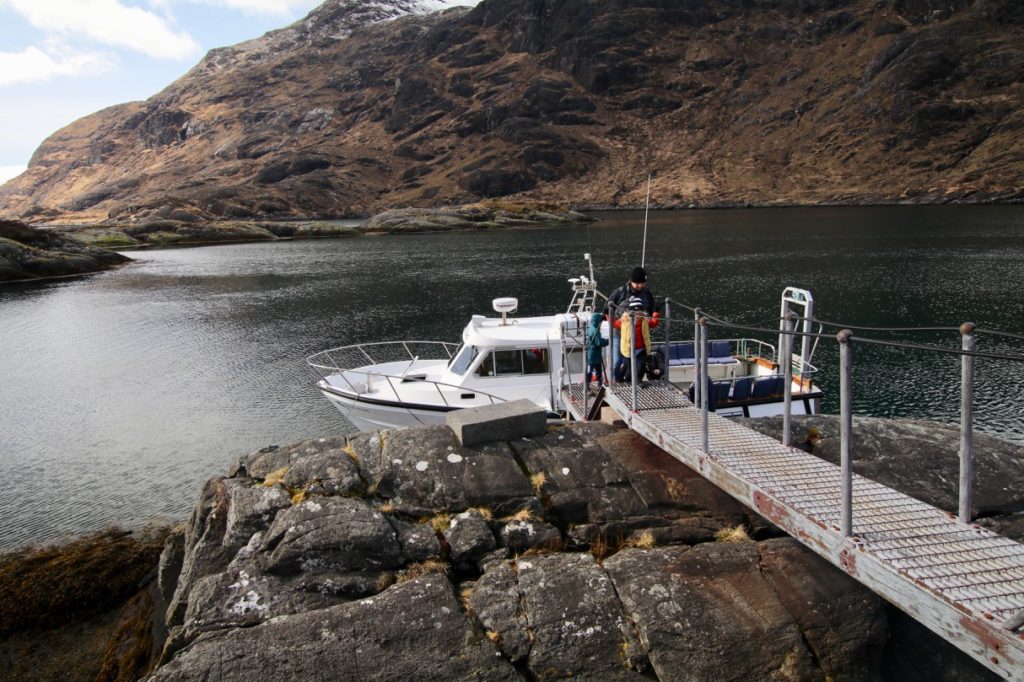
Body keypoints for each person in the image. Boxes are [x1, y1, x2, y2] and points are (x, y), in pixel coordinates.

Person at [604, 266, 656, 381]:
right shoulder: (621, 291)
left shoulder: (647, 293)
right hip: (619, 331)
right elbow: (607, 306)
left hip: (638, 332)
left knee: (634, 361)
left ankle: (630, 381)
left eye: (642, 283)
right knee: (617, 361)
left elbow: (652, 310)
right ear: (631, 281)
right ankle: (616, 381)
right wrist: (610, 319)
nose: (640, 286)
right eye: (637, 283)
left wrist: (648, 319)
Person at [613, 295, 660, 382]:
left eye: (640, 312)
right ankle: (624, 382)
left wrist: (656, 312)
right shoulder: (624, 320)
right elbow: (614, 323)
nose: (638, 314)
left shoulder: (645, 321)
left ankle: (638, 382)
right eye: (636, 312)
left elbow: (653, 323)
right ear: (631, 312)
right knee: (629, 371)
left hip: (641, 349)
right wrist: (609, 313)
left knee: (641, 367)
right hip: (628, 350)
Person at [586, 311, 609, 387]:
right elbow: (599, 342)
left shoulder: (591, 327)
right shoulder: (595, 330)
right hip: (594, 354)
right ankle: (594, 385)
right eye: (601, 321)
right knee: (594, 370)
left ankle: (592, 384)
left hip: (593, 354)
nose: (601, 323)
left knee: (594, 369)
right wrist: (608, 341)